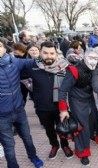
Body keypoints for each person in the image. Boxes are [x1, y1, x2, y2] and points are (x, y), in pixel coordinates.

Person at [23, 41, 74, 160]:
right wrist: (32, 89)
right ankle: (54, 145)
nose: (49, 56)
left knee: (63, 128)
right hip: (42, 106)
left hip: (60, 106)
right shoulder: (31, 65)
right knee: (49, 129)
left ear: (56, 53)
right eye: (45, 53)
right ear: (40, 52)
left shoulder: (64, 66)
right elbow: (23, 79)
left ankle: (65, 146)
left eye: (52, 53)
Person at [0, 37, 43, 168]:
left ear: (4, 48)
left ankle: (33, 156)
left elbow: (32, 63)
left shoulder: (14, 61)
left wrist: (41, 56)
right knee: (9, 144)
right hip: (2, 116)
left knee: (27, 137)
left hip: (19, 110)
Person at [59, 49, 98, 165]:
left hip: (89, 98)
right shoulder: (73, 70)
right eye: (90, 58)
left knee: (94, 120)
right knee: (82, 127)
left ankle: (93, 137)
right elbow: (62, 90)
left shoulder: (94, 68)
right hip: (77, 101)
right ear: (84, 58)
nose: (93, 61)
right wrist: (63, 109)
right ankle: (83, 153)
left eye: (95, 58)